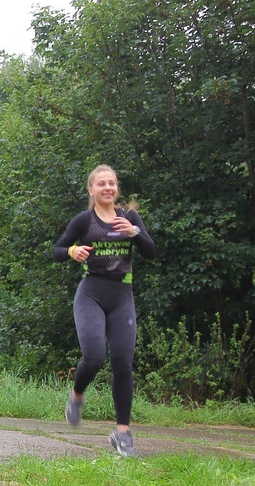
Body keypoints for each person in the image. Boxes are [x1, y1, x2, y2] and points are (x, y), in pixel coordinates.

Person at [53, 164, 156, 458]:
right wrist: (72, 251)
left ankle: (122, 434)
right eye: (102, 184)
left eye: (112, 183)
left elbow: (151, 252)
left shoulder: (129, 218)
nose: (108, 188)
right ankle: (76, 394)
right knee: (95, 356)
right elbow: (57, 250)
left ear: (117, 188)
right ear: (91, 190)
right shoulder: (84, 221)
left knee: (123, 362)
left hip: (122, 295)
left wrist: (135, 232)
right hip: (91, 294)